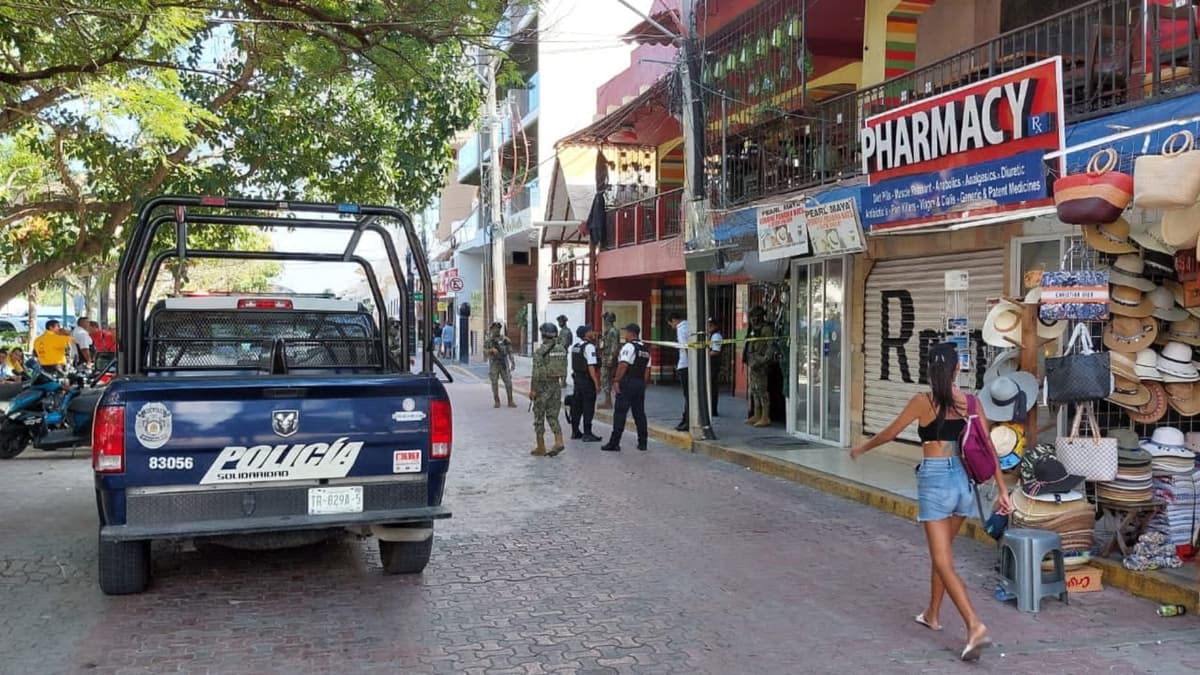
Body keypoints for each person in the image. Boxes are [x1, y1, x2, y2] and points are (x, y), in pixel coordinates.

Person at [849, 342, 1012, 662]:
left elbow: (889, 433)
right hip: (963, 482)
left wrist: (862, 449)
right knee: (943, 555)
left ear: (929, 370)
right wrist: (1003, 490)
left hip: (935, 481)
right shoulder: (971, 402)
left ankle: (974, 625)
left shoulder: (922, 401)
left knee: (942, 560)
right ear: (957, 368)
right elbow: (988, 447)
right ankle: (932, 614)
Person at [601, 323, 651, 452]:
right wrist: (643, 385)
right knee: (639, 414)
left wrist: (616, 380)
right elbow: (647, 370)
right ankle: (643, 442)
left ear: (631, 333)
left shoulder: (629, 346)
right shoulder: (645, 349)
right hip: (639, 383)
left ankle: (614, 443)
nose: (625, 335)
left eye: (626, 332)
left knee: (620, 413)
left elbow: (623, 364)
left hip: (627, 382)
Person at [530, 322, 567, 457]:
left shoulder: (540, 352)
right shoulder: (561, 349)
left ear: (543, 334)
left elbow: (536, 373)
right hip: (555, 386)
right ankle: (559, 441)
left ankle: (541, 447)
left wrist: (533, 390)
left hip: (542, 387)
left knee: (539, 418)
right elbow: (564, 368)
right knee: (553, 416)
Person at [569, 325, 602, 442]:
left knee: (577, 406)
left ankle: (575, 431)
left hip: (577, 380)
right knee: (588, 407)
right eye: (590, 331)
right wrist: (596, 383)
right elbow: (591, 366)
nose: (593, 333)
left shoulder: (576, 346)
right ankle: (587, 433)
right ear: (586, 334)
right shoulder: (589, 347)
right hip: (587, 381)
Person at [744, 306, 775, 427]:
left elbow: (771, 346)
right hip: (753, 362)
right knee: (754, 390)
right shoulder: (753, 328)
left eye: (755, 316)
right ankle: (757, 414)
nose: (752, 319)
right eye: (751, 316)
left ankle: (765, 416)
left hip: (760, 364)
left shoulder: (766, 329)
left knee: (762, 390)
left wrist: (764, 360)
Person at [483, 321, 517, 408]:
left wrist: (512, 362)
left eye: (498, 328)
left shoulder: (505, 340)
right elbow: (484, 351)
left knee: (508, 382)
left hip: (504, 363)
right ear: (491, 329)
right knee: (494, 382)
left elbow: (510, 351)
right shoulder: (488, 341)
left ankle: (510, 401)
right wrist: (491, 350)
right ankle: (497, 401)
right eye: (494, 329)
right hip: (494, 363)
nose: (496, 330)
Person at [667, 311, 689, 431]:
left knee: (687, 395)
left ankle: (687, 421)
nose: (672, 327)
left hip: (685, 365)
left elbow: (685, 347)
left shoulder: (681, 329)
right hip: (688, 364)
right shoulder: (690, 325)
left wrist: (689, 363)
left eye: (671, 324)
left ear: (674, 320)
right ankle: (685, 419)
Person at [598, 311, 619, 409]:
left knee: (605, 379)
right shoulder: (608, 331)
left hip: (608, 358)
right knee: (606, 379)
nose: (604, 321)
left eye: (605, 319)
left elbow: (614, 346)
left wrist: (611, 358)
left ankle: (608, 401)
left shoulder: (612, 331)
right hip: (606, 357)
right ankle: (607, 400)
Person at [707, 317, 723, 417]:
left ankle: (713, 410)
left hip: (714, 364)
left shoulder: (716, 336)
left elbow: (715, 351)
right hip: (711, 364)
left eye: (710, 325)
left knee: (712, 388)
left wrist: (704, 355)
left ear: (715, 326)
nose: (708, 327)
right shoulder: (712, 335)